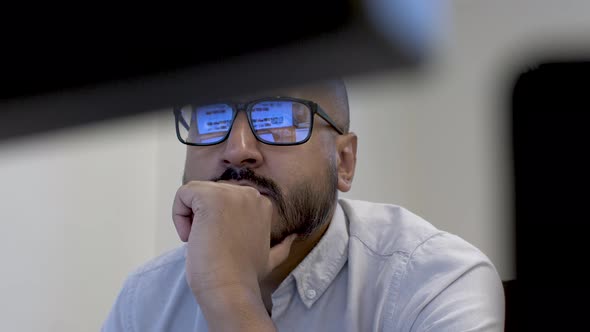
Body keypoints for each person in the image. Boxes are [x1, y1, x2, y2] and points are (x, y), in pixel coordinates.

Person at [102, 79, 505, 331]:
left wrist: (230, 298)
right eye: (211, 118)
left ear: (343, 162)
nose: (237, 150)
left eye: (278, 116)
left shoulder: (435, 283)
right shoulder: (146, 298)